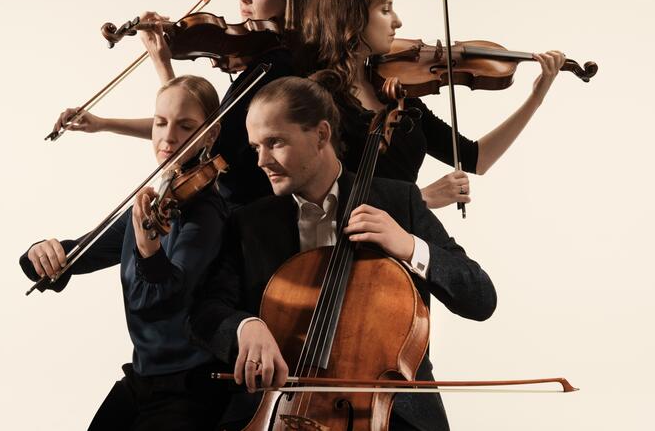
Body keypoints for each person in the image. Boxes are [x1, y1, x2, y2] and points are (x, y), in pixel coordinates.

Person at [188, 73, 497, 431]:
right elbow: (204, 311)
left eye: (274, 142)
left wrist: (410, 246)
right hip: (280, 409)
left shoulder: (399, 202)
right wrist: (244, 326)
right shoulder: (249, 223)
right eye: (256, 146)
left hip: (387, 412)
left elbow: (481, 298)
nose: (261, 160)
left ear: (321, 135)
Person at [21, 75, 230, 431]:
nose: (168, 137)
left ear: (209, 135)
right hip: (141, 378)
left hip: (190, 387)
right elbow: (81, 252)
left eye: (186, 126)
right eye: (160, 123)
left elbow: (166, 300)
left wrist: (150, 252)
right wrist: (41, 252)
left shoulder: (206, 212)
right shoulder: (158, 200)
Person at [53, 0, 314, 207]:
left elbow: (201, 144)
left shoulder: (276, 69)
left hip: (227, 211)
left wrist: (162, 62)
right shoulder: (264, 59)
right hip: (209, 199)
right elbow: (193, 128)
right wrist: (102, 123)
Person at [298, 0, 567, 209]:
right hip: (356, 243)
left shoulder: (399, 95)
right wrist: (421, 197)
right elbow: (324, 192)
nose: (398, 21)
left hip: (410, 233)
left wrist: (537, 96)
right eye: (385, 9)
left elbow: (477, 159)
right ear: (351, 17)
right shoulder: (317, 98)